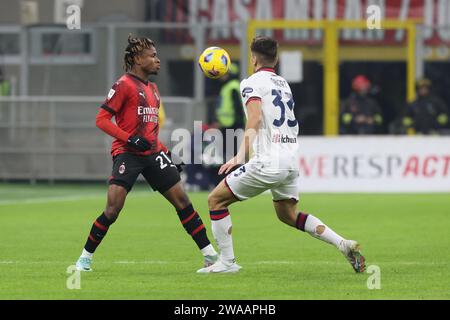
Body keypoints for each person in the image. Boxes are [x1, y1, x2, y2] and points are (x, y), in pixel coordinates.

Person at [197, 36, 365, 274]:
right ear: (275, 59)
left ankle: (227, 262)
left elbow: (254, 118)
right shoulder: (283, 84)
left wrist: (239, 155)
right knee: (287, 215)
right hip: (290, 161)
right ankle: (342, 243)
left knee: (215, 200)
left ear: (253, 58)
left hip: (268, 161)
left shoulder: (251, 83)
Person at [75, 35, 218, 271]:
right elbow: (101, 120)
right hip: (127, 153)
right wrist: (129, 138)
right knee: (112, 210)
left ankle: (210, 255)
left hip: (152, 154)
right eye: (152, 56)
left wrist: (167, 154)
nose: (158, 60)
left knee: (183, 201)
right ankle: (85, 258)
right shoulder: (123, 85)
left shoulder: (153, 89)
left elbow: (150, 132)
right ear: (138, 59)